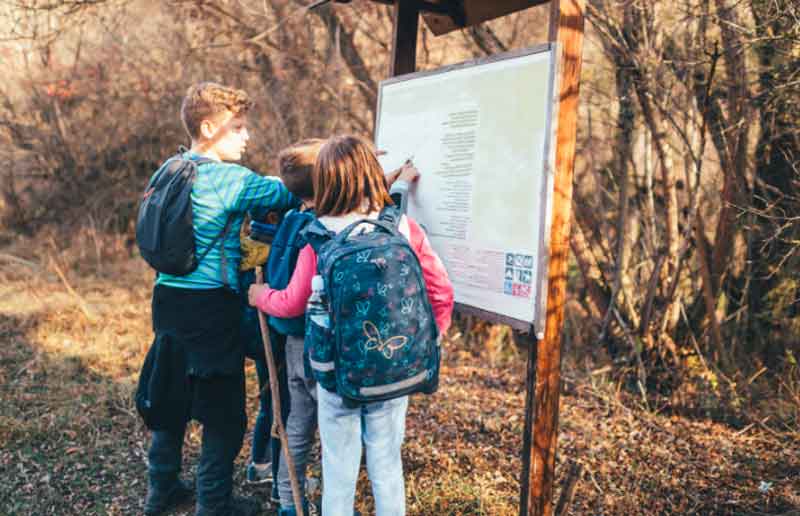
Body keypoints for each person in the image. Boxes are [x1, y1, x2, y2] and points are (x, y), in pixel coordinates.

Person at [248, 135, 454, 516]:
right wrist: (430, 338)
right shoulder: (402, 227)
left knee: (339, 467)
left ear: (324, 180)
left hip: (337, 374)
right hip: (392, 367)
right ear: (371, 175)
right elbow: (441, 291)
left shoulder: (318, 233)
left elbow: (292, 301)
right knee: (387, 461)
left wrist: (260, 295)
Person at [143, 82, 299, 516]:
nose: (246, 136)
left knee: (171, 399)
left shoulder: (170, 168)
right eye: (238, 128)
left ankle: (162, 492)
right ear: (209, 128)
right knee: (224, 415)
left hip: (168, 300)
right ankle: (214, 504)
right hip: (212, 308)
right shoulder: (231, 179)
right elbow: (290, 192)